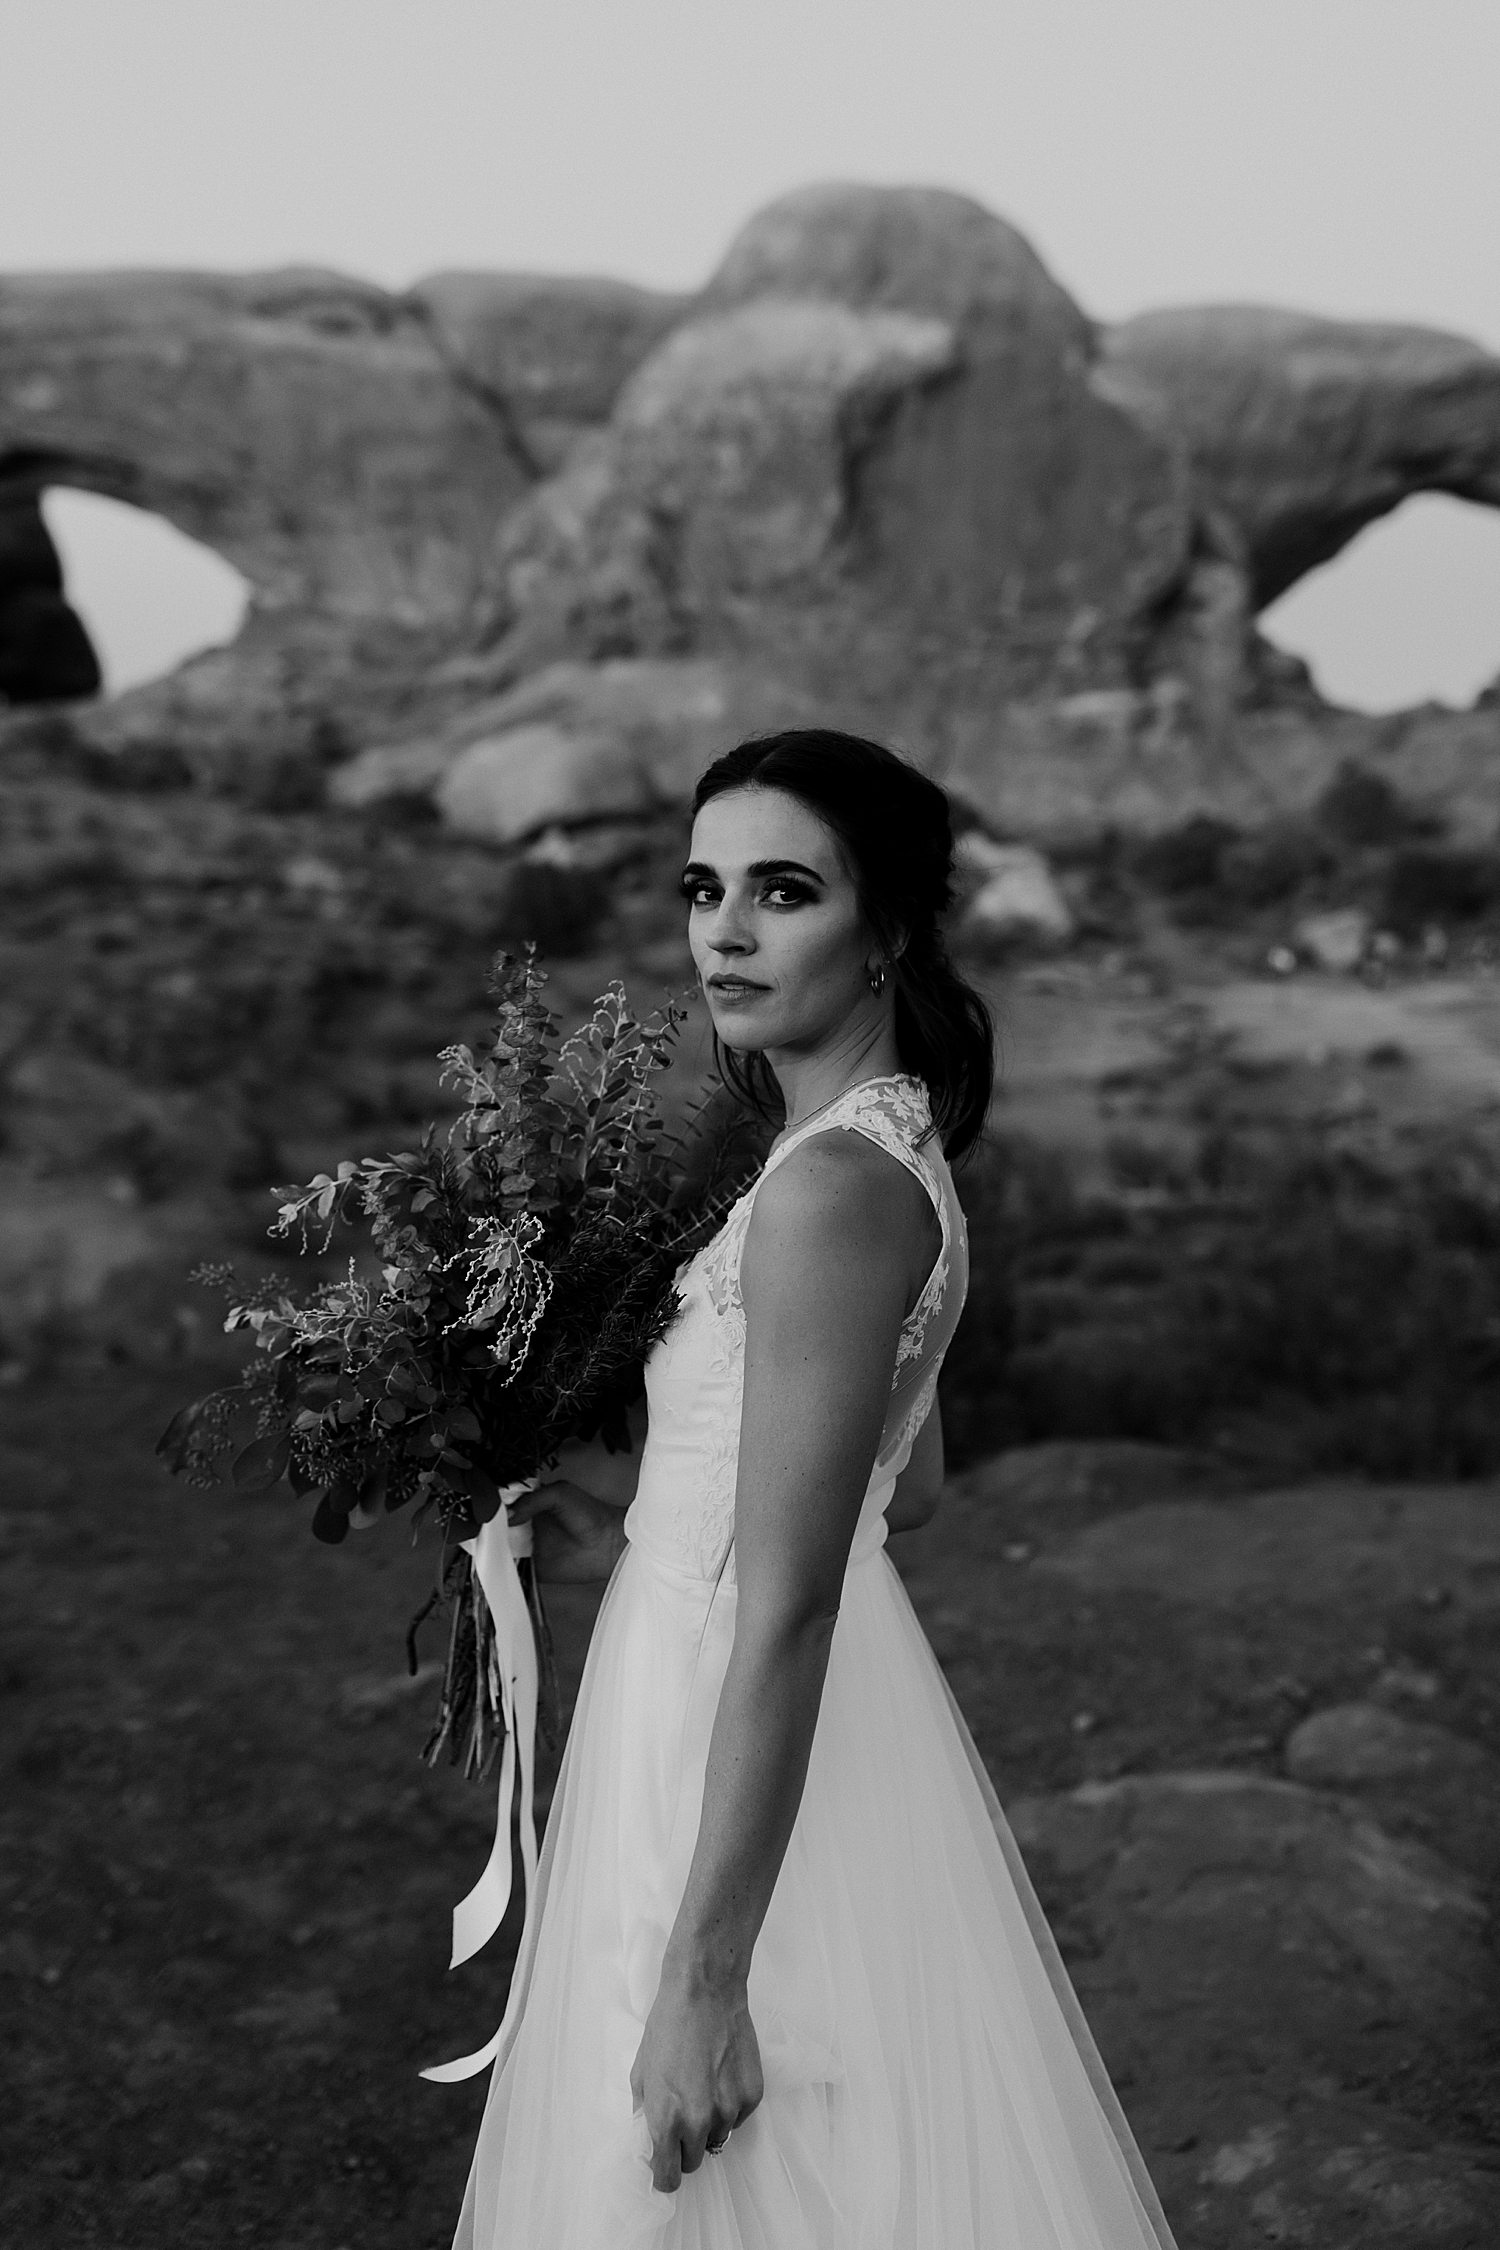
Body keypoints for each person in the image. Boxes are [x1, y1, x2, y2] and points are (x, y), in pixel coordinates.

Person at [449, 731, 1178, 2248]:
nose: (725, 927)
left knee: (687, 2154)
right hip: (751, 1685)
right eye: (705, 885)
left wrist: (712, 1979)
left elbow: (791, 1593)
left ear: (891, 927)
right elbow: (896, 1502)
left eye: (785, 889)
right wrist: (625, 1532)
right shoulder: (877, 1146)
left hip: (733, 1712)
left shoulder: (827, 1190)